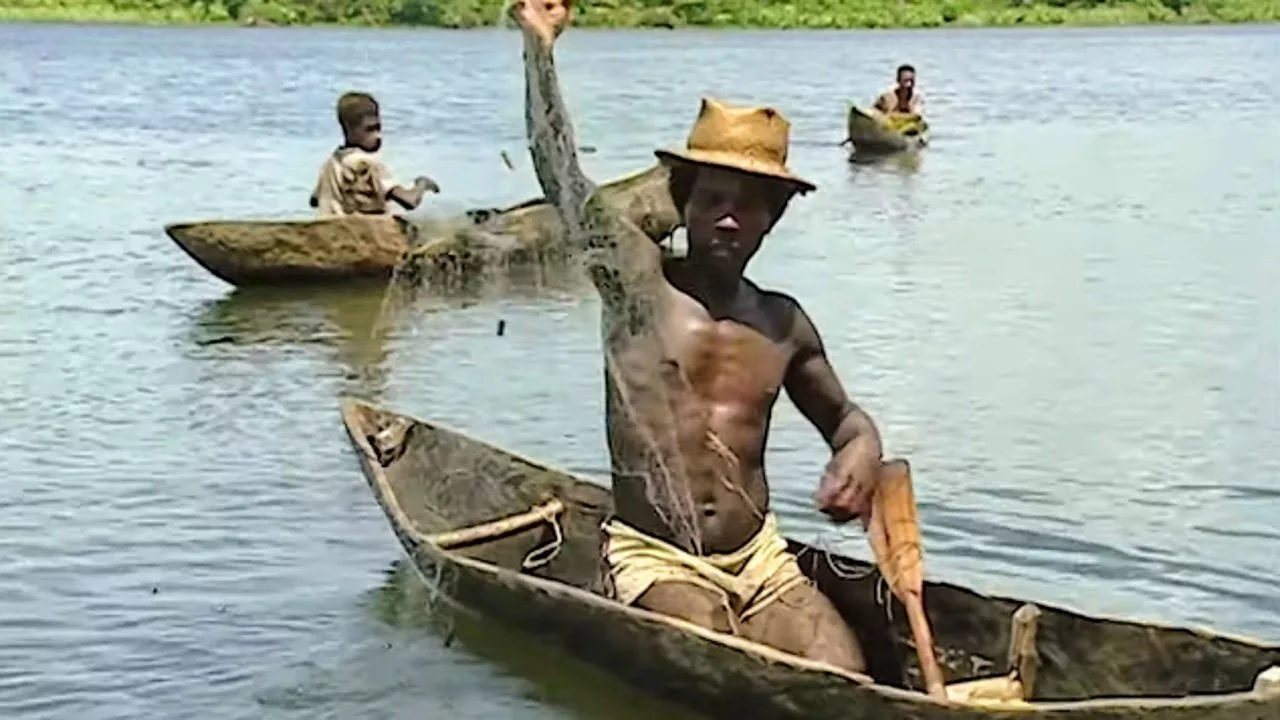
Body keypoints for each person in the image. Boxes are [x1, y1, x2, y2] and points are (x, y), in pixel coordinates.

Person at [511, 0, 883, 673]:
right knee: (716, 646)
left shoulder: (783, 323)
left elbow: (847, 422)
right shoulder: (637, 284)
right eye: (712, 199)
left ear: (772, 219)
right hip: (657, 559)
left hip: (763, 563)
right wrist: (540, 50)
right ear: (683, 202)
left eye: (749, 205)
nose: (729, 220)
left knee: (843, 674)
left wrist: (863, 451)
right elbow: (559, 173)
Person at [310, 92, 440, 216]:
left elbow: (314, 200)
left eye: (378, 129)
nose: (377, 136)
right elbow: (409, 202)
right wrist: (422, 184)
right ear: (349, 129)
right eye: (370, 129)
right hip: (361, 231)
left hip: (334, 226)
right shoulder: (367, 164)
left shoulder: (331, 163)